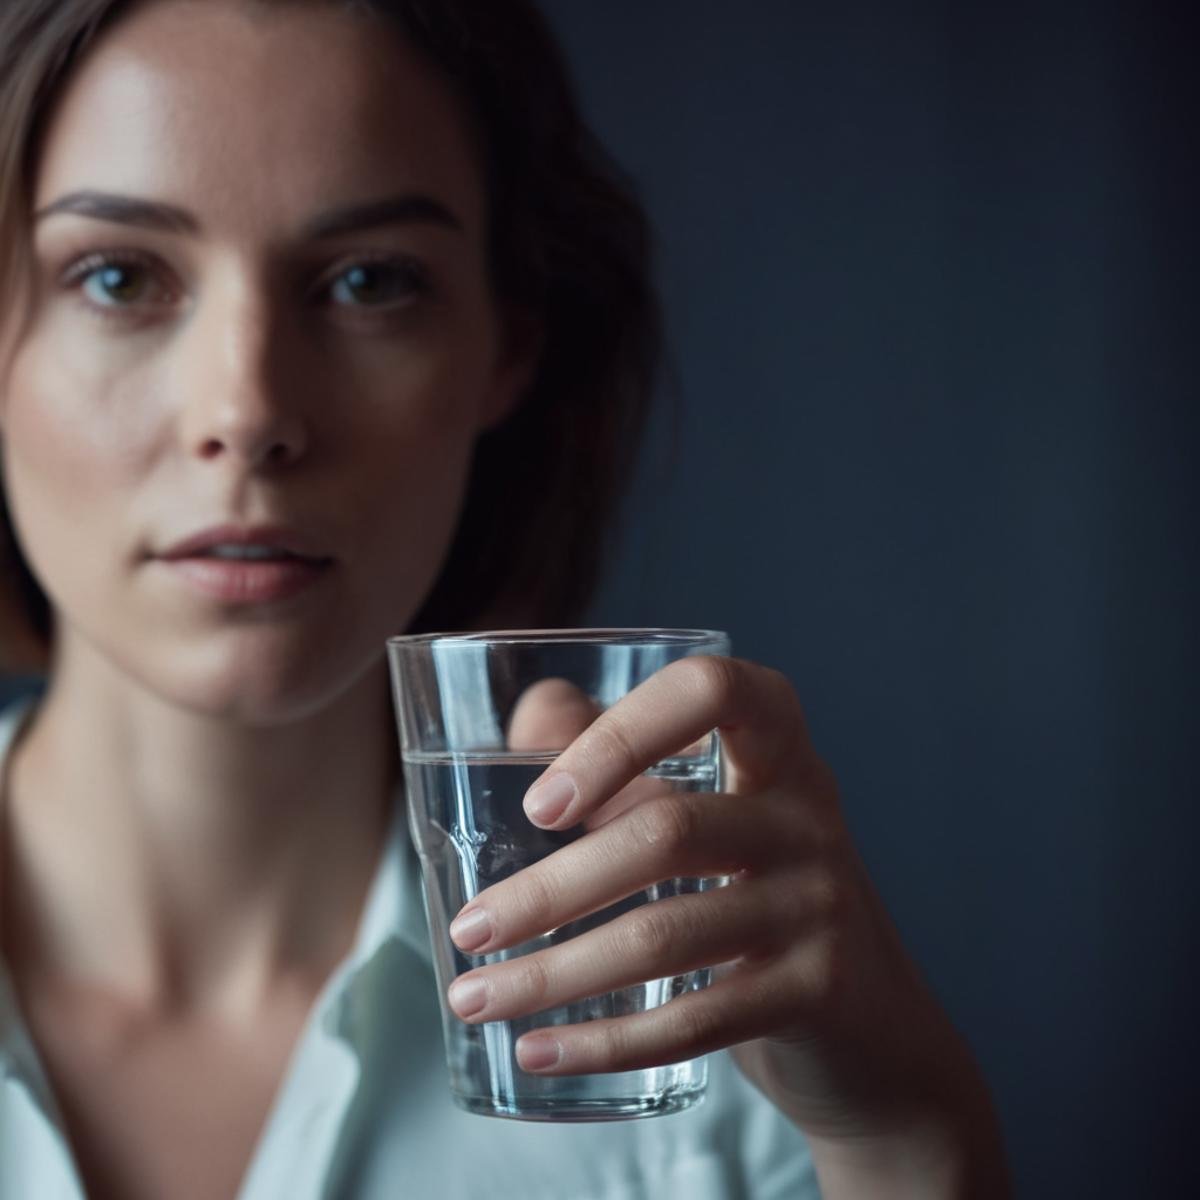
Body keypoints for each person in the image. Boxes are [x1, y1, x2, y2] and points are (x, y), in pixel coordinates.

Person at [0, 1, 1011, 1197]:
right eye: (117, 275)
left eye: (370, 281)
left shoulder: (715, 1066)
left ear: (507, 348)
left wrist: (906, 1139)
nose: (250, 410)